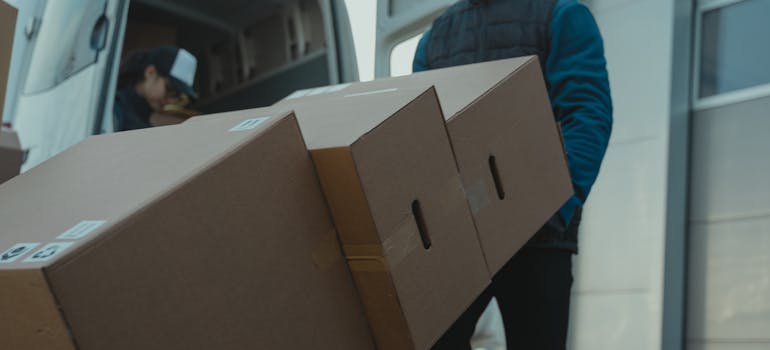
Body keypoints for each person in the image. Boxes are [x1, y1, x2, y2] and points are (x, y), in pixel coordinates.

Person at [413, 0, 613, 349]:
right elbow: (419, 132)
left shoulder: (561, 15)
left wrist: (558, 204)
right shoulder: (437, 35)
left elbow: (586, 114)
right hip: (461, 233)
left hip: (538, 231)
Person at [114, 46, 198, 131]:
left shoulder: (142, 119)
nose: (170, 101)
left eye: (177, 95)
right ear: (150, 72)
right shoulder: (115, 110)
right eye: (169, 89)